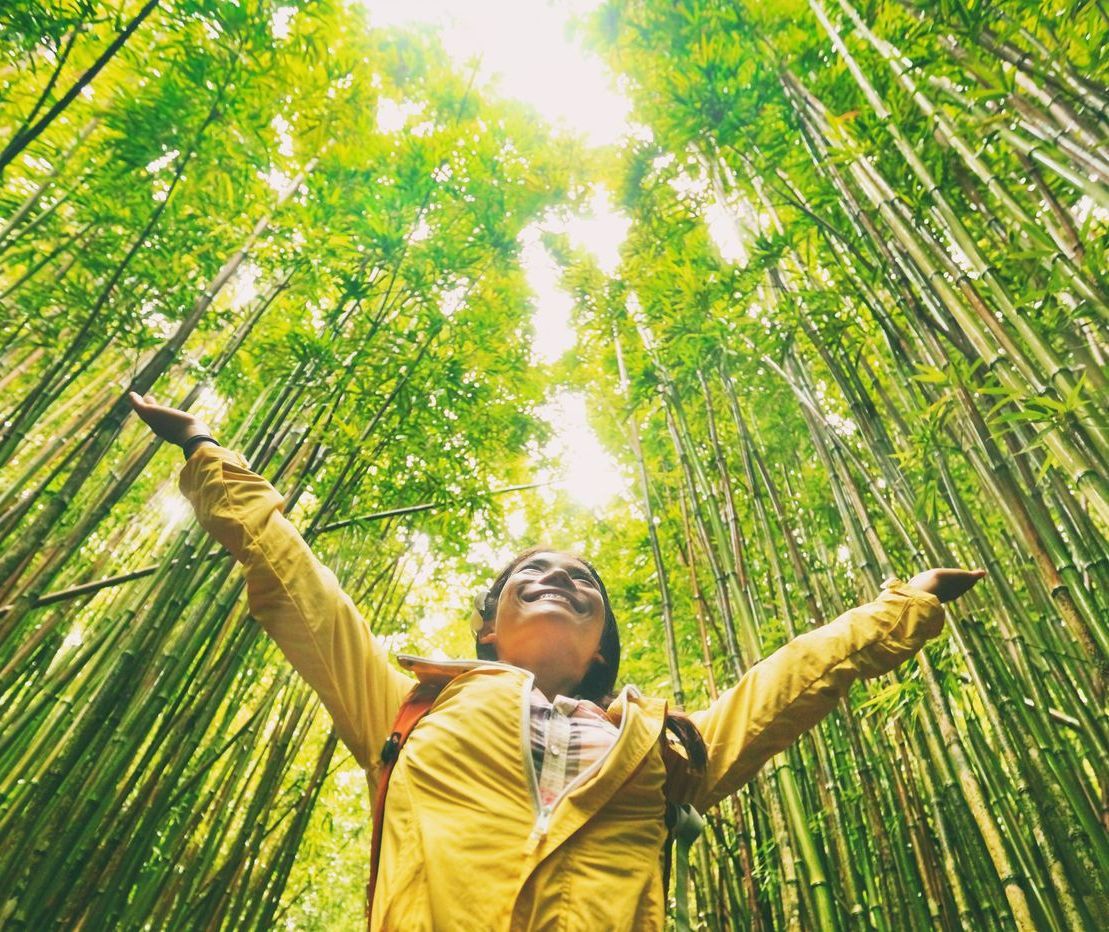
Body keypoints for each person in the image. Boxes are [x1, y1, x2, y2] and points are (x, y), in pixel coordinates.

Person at [129, 391, 986, 930]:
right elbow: (295, 583)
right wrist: (208, 453)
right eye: (528, 574)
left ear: (602, 643)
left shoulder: (667, 748)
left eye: (581, 580)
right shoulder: (403, 704)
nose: (556, 578)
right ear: (487, 628)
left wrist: (902, 606)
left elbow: (786, 682)